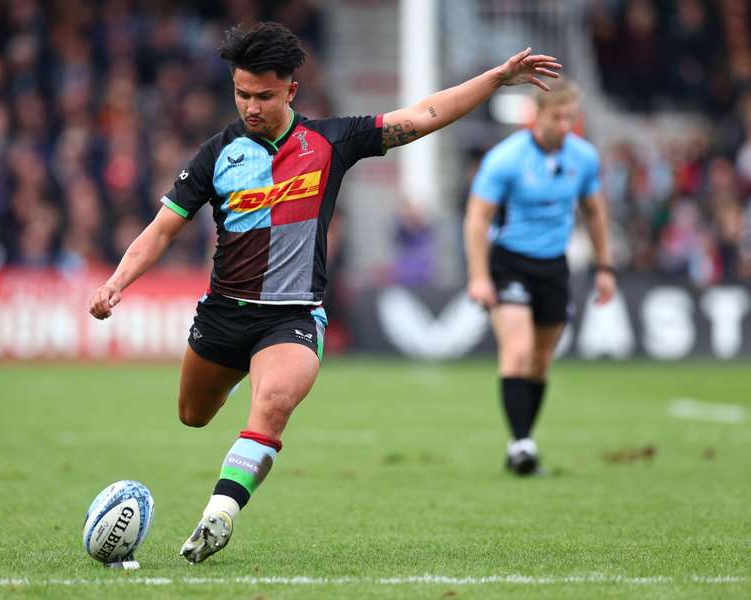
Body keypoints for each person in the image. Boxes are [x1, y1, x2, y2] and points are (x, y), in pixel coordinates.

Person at [90, 21, 560, 562]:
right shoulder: (215, 155)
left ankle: (218, 515)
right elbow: (162, 229)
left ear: (291, 90)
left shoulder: (331, 141)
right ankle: (244, 402)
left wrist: (497, 79)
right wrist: (116, 282)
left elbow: (424, 115)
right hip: (223, 314)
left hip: (291, 317)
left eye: (264, 95)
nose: (251, 107)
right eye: (241, 94)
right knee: (193, 415)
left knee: (272, 404)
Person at [464, 77, 616, 476]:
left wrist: (604, 266)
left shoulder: (583, 158)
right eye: (558, 117)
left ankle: (522, 440)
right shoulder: (506, 159)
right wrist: (479, 276)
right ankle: (522, 445)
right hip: (510, 261)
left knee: (541, 360)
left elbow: (595, 211)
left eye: (570, 117)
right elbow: (477, 218)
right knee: (517, 351)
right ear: (537, 116)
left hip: (554, 265)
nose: (565, 125)